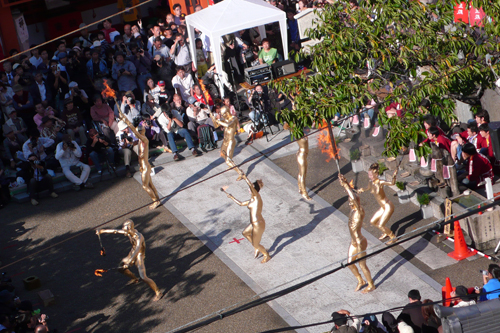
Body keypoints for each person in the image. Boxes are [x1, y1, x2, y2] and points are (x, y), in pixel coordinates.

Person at [96, 220, 162, 301]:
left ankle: (158, 292)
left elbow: (137, 249)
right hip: (132, 252)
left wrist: (130, 261)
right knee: (120, 267)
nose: (124, 231)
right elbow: (116, 231)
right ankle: (134, 279)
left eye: (126, 230)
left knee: (143, 277)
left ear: (130, 229)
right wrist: (102, 231)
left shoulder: (139, 237)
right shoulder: (129, 233)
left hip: (139, 256)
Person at [221, 159, 271, 263]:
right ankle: (257, 246)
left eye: (252, 188)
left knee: (255, 243)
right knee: (245, 233)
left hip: (258, 224)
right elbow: (240, 203)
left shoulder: (256, 197)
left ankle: (266, 255)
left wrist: (244, 177)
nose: (249, 189)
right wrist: (230, 196)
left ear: (255, 189)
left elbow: (250, 187)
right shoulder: (252, 200)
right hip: (253, 223)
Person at [339, 173, 375, 293]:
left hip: (360, 242)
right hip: (353, 242)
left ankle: (371, 284)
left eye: (351, 202)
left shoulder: (360, 211)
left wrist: (346, 187)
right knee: (350, 263)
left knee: (362, 265)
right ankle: (361, 280)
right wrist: (344, 183)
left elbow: (353, 198)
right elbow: (351, 197)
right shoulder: (352, 211)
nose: (350, 204)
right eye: (349, 202)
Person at [357, 163, 397, 242]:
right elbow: (368, 188)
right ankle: (385, 232)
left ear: (376, 174)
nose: (370, 177)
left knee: (380, 225)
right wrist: (362, 190)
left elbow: (392, 183)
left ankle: (393, 237)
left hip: (388, 206)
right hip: (383, 207)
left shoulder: (380, 182)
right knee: (373, 221)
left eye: (371, 175)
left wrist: (394, 176)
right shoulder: (371, 182)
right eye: (369, 175)